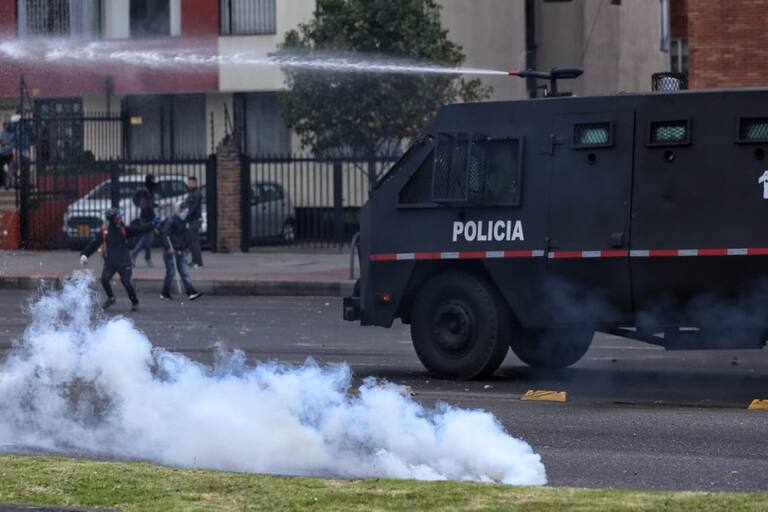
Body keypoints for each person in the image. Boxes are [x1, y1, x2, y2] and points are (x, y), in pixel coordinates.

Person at [80, 208, 157, 311]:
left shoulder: (123, 229)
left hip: (124, 262)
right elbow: (94, 244)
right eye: (118, 217)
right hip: (110, 263)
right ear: (113, 219)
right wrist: (84, 254)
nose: (121, 219)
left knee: (127, 282)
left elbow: (138, 230)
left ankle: (135, 302)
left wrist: (152, 225)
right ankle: (111, 298)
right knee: (104, 279)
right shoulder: (105, 232)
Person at [160, 202, 202, 301]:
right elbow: (165, 235)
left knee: (184, 272)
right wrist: (169, 247)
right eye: (183, 209)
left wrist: (186, 247)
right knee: (170, 273)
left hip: (181, 249)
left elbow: (185, 236)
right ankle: (165, 293)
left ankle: (191, 292)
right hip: (171, 251)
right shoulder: (172, 221)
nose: (185, 211)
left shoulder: (185, 221)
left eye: (186, 209)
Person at [130, 174, 158, 267]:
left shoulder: (149, 190)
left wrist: (156, 205)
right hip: (147, 217)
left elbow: (149, 203)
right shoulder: (145, 191)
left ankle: (147, 257)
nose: (154, 182)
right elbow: (145, 205)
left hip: (149, 216)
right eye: (153, 180)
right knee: (146, 238)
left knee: (149, 239)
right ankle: (134, 255)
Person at [185, 175, 203, 268]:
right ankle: (194, 260)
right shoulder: (191, 193)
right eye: (189, 183)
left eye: (192, 183)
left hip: (195, 220)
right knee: (190, 241)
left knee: (194, 241)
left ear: (196, 183)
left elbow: (193, 208)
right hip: (191, 220)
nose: (190, 184)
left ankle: (199, 263)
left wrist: (185, 216)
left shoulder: (196, 194)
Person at [0, 120, 16, 189]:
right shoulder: (2, 133)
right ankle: (4, 183)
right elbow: (2, 142)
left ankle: (8, 184)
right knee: (5, 170)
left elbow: (12, 144)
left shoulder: (12, 134)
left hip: (8, 154)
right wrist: (6, 144)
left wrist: (5, 144)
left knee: (10, 170)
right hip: (3, 154)